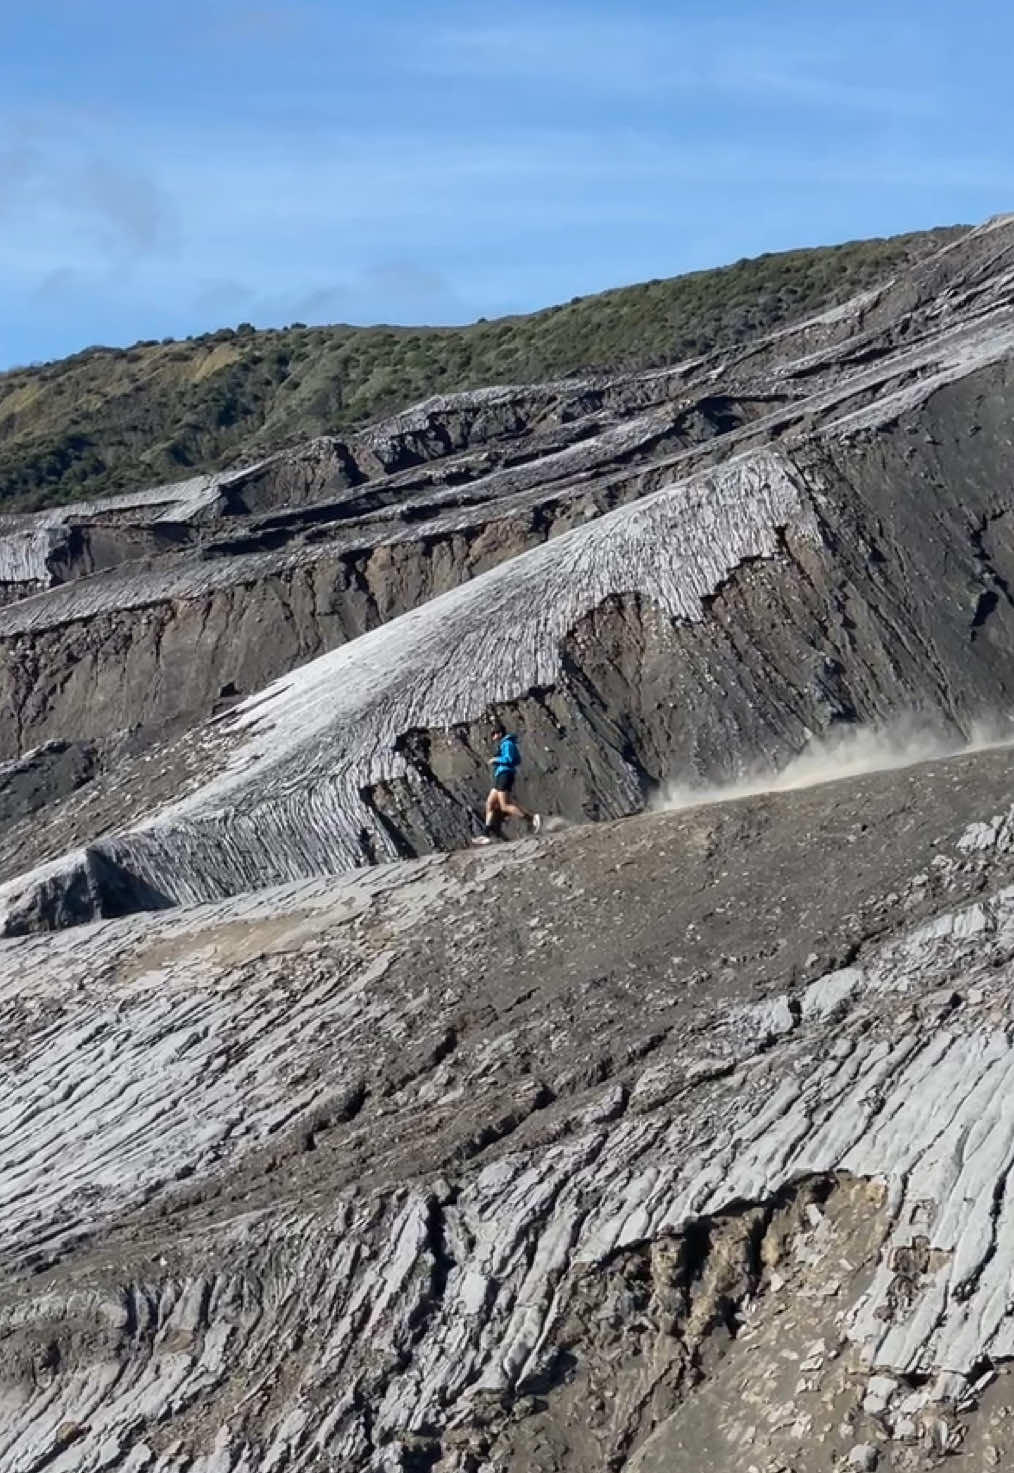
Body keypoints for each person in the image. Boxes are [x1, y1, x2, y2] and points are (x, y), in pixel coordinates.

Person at [473, 725, 541, 843]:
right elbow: (517, 759)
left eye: (494, 734)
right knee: (490, 803)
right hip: (501, 775)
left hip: (505, 775)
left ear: (500, 733)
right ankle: (486, 834)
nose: (493, 737)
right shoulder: (505, 744)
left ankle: (531, 819)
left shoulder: (507, 744)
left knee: (504, 805)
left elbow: (510, 759)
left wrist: (496, 760)